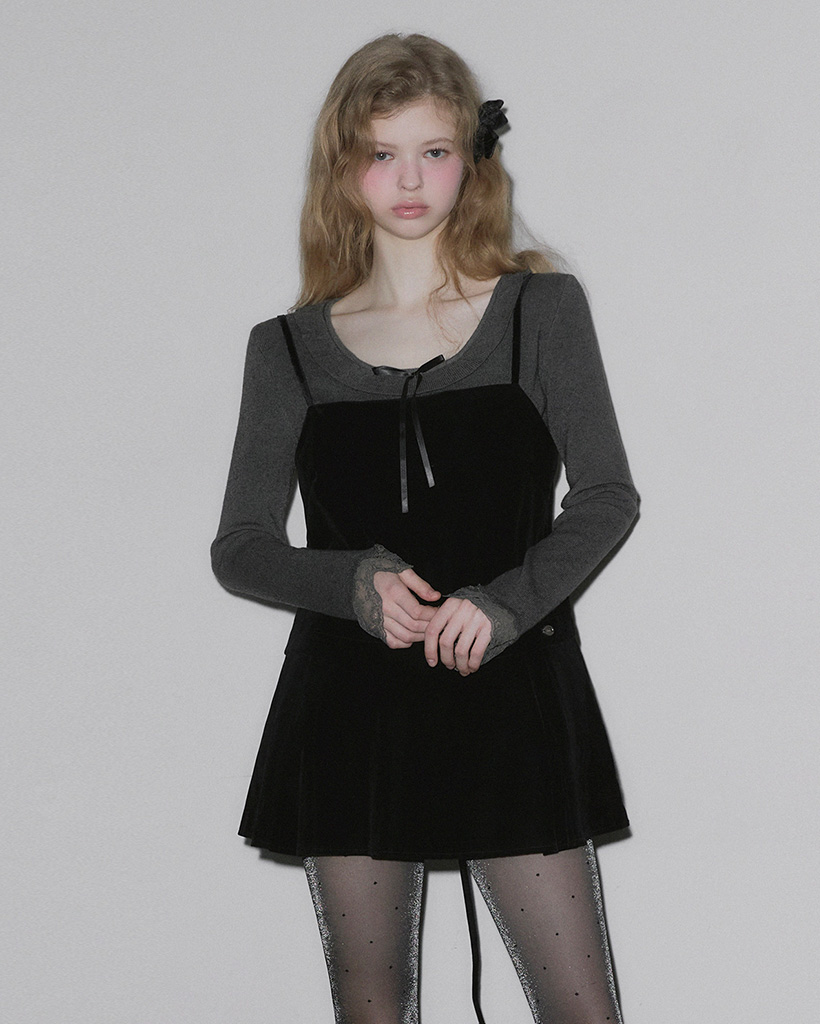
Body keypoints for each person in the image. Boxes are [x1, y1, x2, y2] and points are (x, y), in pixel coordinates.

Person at [211, 31, 638, 1024]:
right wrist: (352, 585)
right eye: (381, 152)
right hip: (347, 709)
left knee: (581, 1011)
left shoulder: (539, 311)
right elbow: (241, 545)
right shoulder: (285, 349)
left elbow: (607, 495)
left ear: (469, 159)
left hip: (512, 688)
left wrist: (506, 604)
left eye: (433, 150)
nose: (408, 179)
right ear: (344, 166)